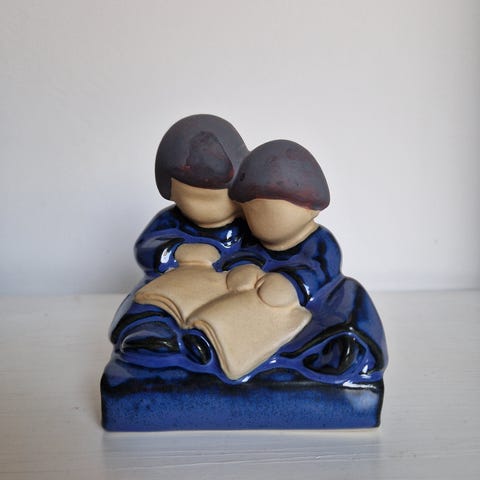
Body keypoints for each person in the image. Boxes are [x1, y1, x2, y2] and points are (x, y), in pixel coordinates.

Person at [228, 140, 388, 385]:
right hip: (265, 319)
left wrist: (293, 284)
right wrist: (243, 269)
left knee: (347, 311)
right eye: (253, 211)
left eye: (272, 211)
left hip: (320, 308)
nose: (260, 220)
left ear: (311, 210)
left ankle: (336, 354)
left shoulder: (320, 242)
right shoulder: (251, 241)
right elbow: (242, 257)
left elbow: (320, 270)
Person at [108, 114, 251, 372]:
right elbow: (146, 248)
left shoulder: (249, 226)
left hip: (227, 294)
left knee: (241, 316)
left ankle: (206, 345)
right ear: (172, 193)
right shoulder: (172, 221)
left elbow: (264, 256)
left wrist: (244, 268)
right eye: (199, 199)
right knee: (151, 304)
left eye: (226, 195)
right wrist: (176, 251)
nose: (215, 207)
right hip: (175, 291)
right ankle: (151, 336)